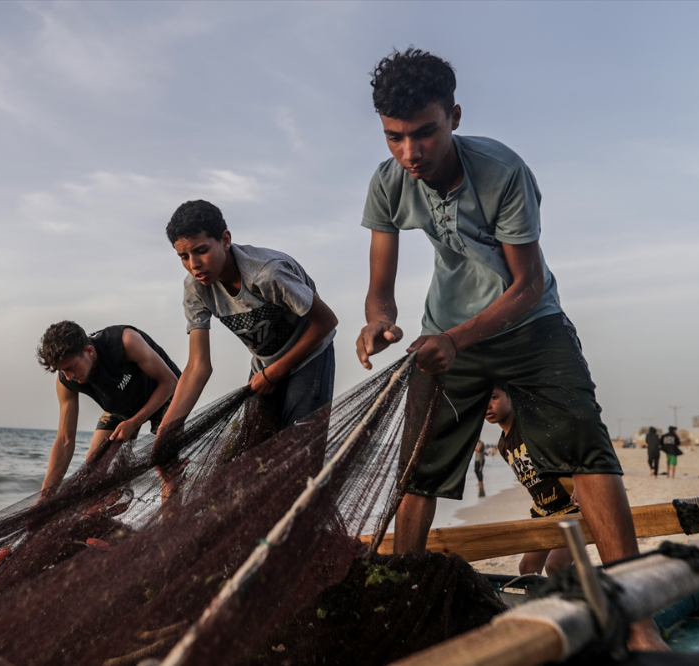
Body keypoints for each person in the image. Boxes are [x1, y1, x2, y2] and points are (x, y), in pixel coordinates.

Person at [354, 48, 665, 649]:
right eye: (395, 138)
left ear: (455, 117)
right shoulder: (388, 181)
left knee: (585, 449)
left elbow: (524, 285)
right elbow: (379, 291)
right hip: (445, 331)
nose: (410, 153)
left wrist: (456, 339)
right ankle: (405, 615)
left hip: (530, 325)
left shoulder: (502, 171)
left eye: (425, 133)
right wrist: (379, 324)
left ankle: (637, 619)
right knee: (417, 469)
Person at [158, 199, 338, 433]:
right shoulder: (196, 289)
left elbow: (326, 322)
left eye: (201, 251)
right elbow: (198, 366)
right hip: (264, 368)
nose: (194, 265)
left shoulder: (267, 273)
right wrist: (167, 430)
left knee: (297, 451)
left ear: (225, 240)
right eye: (184, 256)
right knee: (253, 455)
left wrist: (275, 372)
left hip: (310, 356)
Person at [36, 321, 181, 497]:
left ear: (89, 351)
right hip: (122, 404)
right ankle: (103, 518)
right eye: (62, 371)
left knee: (166, 467)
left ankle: (169, 522)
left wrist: (134, 422)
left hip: (165, 393)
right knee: (93, 468)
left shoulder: (125, 341)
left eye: (71, 367)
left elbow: (169, 382)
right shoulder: (66, 381)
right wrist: (45, 495)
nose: (69, 376)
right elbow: (65, 440)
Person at [485, 385, 574, 575]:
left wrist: (582, 484)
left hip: (572, 505)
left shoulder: (530, 425)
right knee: (527, 568)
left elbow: (568, 446)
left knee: (555, 565)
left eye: (493, 397)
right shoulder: (502, 445)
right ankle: (537, 604)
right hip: (544, 510)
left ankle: (572, 602)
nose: (487, 405)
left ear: (511, 398)